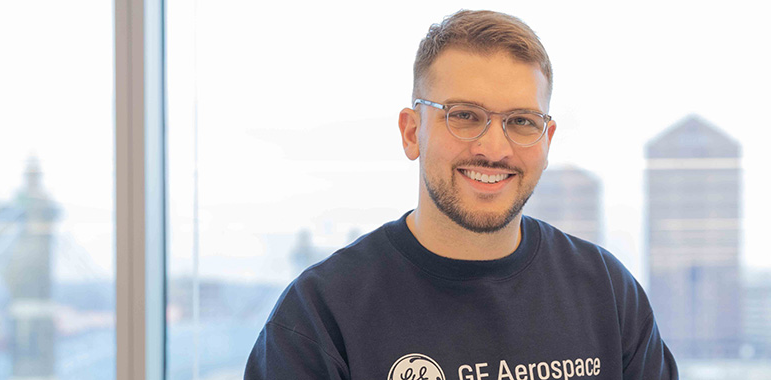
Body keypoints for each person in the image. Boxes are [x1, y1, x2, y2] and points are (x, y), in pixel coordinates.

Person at [245, 10, 677, 380]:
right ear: (412, 133)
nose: (494, 149)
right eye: (465, 116)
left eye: (522, 121)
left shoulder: (606, 291)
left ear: (547, 140)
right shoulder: (322, 315)